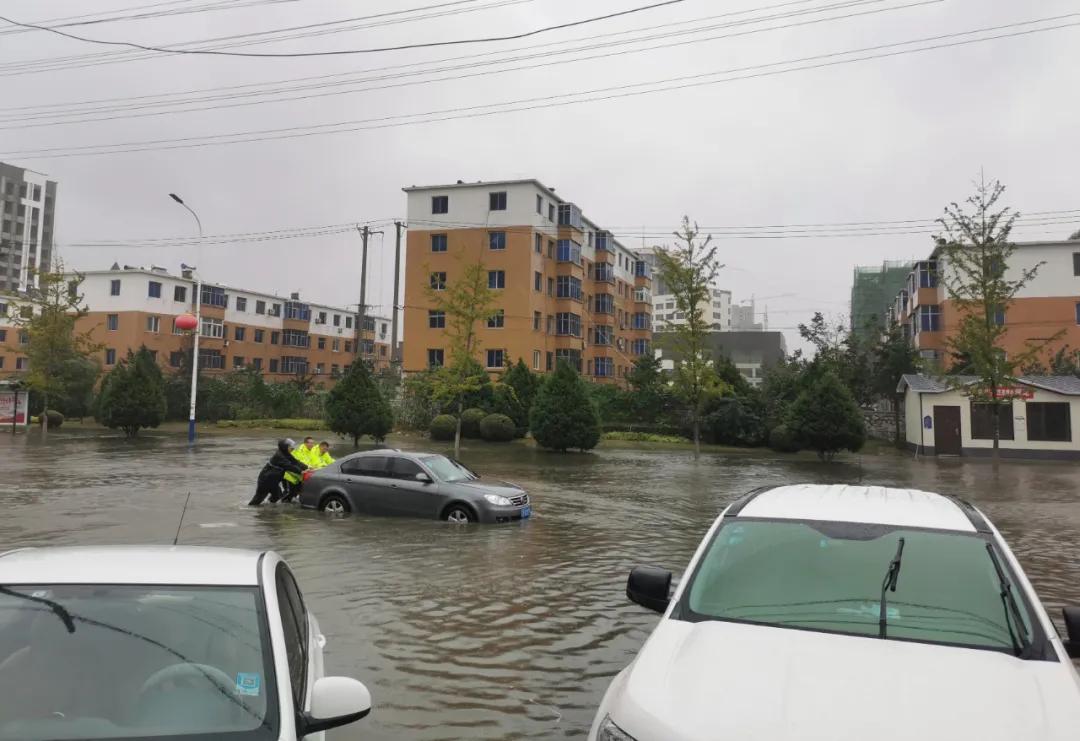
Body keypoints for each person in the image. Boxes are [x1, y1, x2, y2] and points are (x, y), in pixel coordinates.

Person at [249, 439, 307, 506]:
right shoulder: (279, 456)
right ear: (285, 447)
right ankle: (250, 511)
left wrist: (307, 467)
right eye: (290, 447)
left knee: (277, 496)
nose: (292, 449)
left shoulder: (286, 454)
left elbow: (296, 462)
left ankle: (267, 510)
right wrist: (301, 471)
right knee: (258, 499)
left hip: (274, 481)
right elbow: (289, 466)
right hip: (265, 480)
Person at [281, 436, 318, 503]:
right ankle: (276, 506)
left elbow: (315, 462)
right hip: (289, 476)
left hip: (299, 477)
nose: (312, 445)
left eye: (313, 443)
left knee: (295, 494)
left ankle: (289, 508)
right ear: (305, 443)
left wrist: (318, 467)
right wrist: (308, 467)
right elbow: (299, 462)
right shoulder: (300, 451)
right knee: (288, 493)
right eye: (310, 443)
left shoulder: (311, 452)